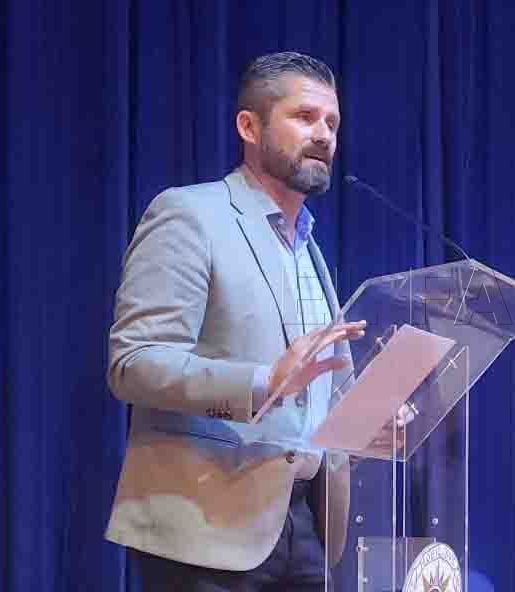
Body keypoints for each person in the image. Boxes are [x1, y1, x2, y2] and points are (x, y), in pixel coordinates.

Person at [104, 51, 365, 591]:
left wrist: (368, 420)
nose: (324, 135)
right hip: (206, 526)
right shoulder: (190, 215)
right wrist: (263, 382)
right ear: (249, 126)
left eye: (332, 123)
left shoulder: (308, 246)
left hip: (305, 523)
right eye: (305, 117)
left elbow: (316, 390)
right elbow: (134, 364)